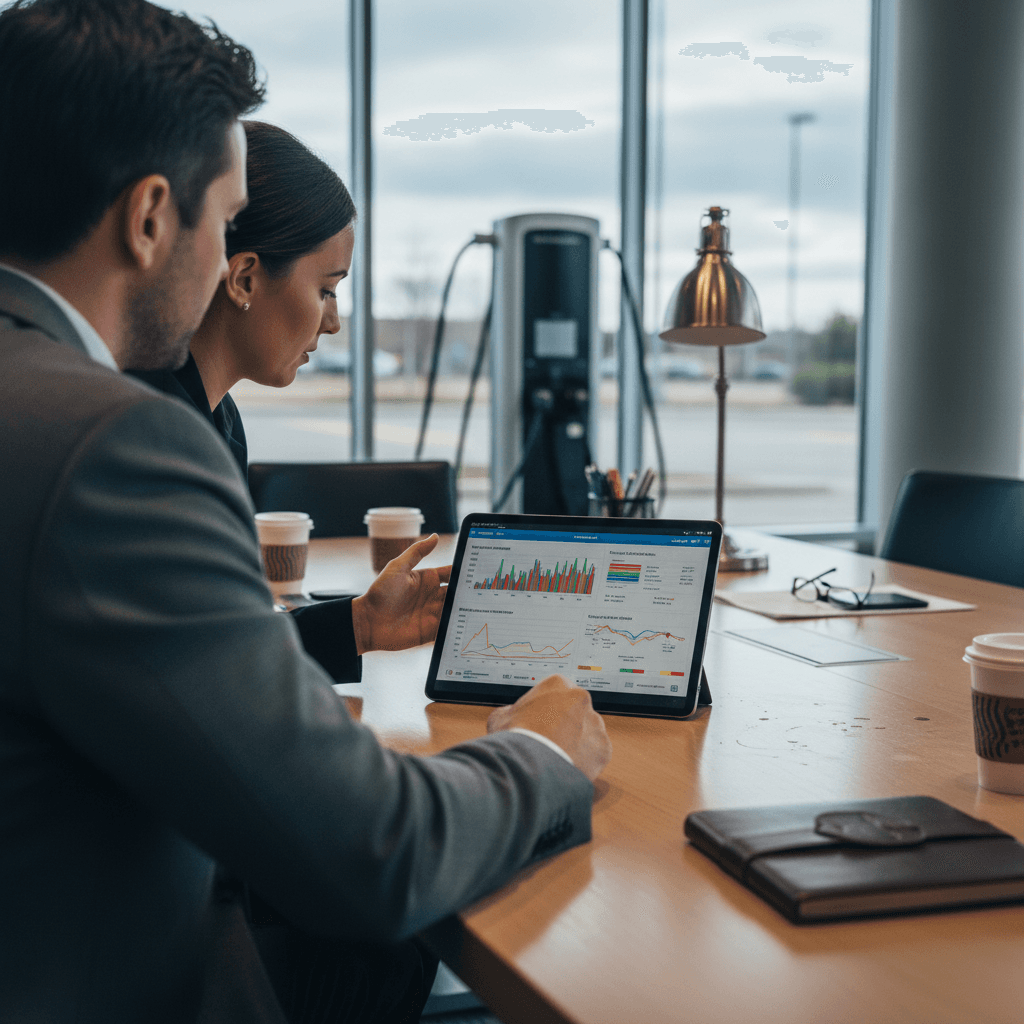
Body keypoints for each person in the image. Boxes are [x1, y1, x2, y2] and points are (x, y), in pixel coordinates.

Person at [0, 5, 612, 1024]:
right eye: (221, 215)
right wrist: (541, 753)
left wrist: (347, 629)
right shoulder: (110, 444)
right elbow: (375, 853)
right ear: (153, 218)